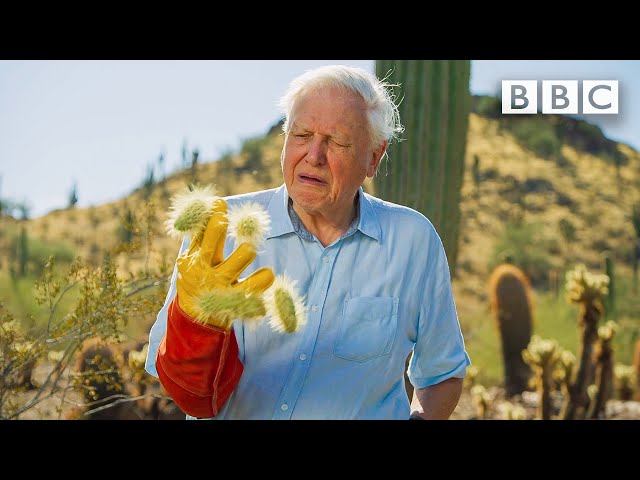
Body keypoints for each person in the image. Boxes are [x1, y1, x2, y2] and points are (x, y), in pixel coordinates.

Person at [145, 64, 471, 420]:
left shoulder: (413, 241)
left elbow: (443, 372)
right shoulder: (221, 229)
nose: (313, 156)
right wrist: (193, 326)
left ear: (374, 157)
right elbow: (186, 391)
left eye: (337, 142)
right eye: (301, 135)